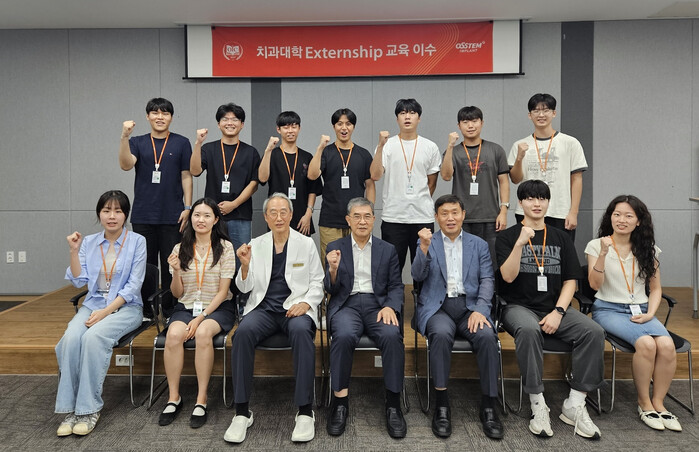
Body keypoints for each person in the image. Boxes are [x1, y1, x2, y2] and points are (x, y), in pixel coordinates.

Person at [496, 180, 604, 439]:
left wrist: (558, 312)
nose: (537, 204)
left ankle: (574, 403)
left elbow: (571, 281)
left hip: (554, 307)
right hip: (518, 307)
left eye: (542, 198)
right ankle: (537, 402)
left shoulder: (561, 237)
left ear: (548, 202)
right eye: (530, 198)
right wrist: (520, 244)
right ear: (520, 203)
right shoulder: (507, 237)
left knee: (593, 331)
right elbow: (507, 277)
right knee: (529, 330)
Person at [224, 193, 324, 444]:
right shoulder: (256, 244)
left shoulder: (306, 244)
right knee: (242, 334)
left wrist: (305, 303)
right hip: (264, 309)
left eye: (283, 212)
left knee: (302, 332)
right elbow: (244, 288)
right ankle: (242, 412)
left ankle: (305, 411)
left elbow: (318, 282)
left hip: (295, 309)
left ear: (291, 215)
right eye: (273, 213)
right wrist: (244, 266)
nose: (279, 217)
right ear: (266, 218)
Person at [586, 195, 681, 432]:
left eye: (629, 216)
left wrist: (651, 313)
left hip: (642, 310)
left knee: (667, 345)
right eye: (617, 214)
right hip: (608, 309)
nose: (622, 220)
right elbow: (594, 285)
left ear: (638, 221)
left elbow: (656, 289)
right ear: (610, 217)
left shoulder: (648, 249)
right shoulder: (596, 245)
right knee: (646, 344)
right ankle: (644, 403)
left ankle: (659, 403)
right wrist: (603, 254)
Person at [55, 190, 146, 437]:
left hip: (126, 308)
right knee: (70, 339)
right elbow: (78, 280)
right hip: (93, 304)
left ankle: (88, 409)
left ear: (126, 215)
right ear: (99, 214)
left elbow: (133, 286)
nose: (112, 216)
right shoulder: (89, 242)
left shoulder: (137, 241)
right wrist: (74, 251)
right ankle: (71, 410)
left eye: (118, 211)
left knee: (93, 338)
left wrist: (106, 312)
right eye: (106, 211)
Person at [412, 194, 503, 439]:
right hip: (438, 307)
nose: (450, 218)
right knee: (440, 335)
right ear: (436, 217)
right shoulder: (428, 241)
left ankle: (489, 405)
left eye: (455, 212)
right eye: (444, 213)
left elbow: (487, 279)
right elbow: (417, 276)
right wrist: (423, 248)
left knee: (486, 336)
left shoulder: (479, 244)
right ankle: (442, 405)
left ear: (463, 215)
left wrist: (480, 310)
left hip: (470, 307)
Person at [325, 197, 406, 439]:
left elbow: (396, 285)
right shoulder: (335, 247)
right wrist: (332, 270)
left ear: (374, 219)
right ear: (348, 220)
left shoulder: (387, 249)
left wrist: (391, 306)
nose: (362, 221)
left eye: (367, 216)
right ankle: (340, 403)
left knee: (392, 335)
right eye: (357, 217)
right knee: (343, 336)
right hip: (346, 304)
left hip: (377, 305)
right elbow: (330, 288)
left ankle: (393, 405)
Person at [158, 198, 236, 429]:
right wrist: (175, 271)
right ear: (190, 219)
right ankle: (174, 397)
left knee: (202, 333)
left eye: (207, 216)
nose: (201, 220)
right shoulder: (179, 248)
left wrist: (200, 317)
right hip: (186, 306)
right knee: (173, 335)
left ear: (216, 220)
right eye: (197, 215)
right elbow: (177, 293)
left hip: (218, 308)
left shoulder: (225, 248)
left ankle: (201, 399)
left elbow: (223, 292)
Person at [119, 97, 193, 289]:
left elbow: (186, 176)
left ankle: (170, 305)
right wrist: (124, 137)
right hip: (143, 214)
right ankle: (147, 305)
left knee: (172, 264)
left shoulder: (182, 142)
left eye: (165, 113)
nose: (160, 117)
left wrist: (188, 207)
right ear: (147, 116)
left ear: (171, 117)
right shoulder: (137, 142)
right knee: (145, 266)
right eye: (155, 113)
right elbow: (126, 165)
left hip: (173, 215)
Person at [370, 98, 441, 279]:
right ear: (397, 119)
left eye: (412, 113)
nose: (407, 117)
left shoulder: (430, 146)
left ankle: (423, 298)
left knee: (424, 267)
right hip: (394, 217)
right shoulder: (387, 146)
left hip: (422, 217)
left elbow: (432, 183)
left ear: (419, 118)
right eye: (402, 113)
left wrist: (417, 199)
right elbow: (375, 175)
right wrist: (380, 146)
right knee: (392, 268)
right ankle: (394, 298)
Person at [508, 93, 587, 242]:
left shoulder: (570, 143)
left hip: (560, 211)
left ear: (554, 113)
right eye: (536, 111)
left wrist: (573, 212)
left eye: (546, 110)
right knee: (529, 252)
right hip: (527, 211)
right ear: (529, 115)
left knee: (560, 252)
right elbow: (515, 179)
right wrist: (519, 158)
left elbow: (577, 179)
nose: (541, 115)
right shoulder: (520, 145)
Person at [441, 106, 510, 268]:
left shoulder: (495, 150)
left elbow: (504, 182)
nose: (470, 126)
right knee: (463, 264)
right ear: (459, 126)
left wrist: (503, 211)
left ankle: (490, 287)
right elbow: (446, 176)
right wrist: (450, 146)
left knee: (491, 264)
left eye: (474, 121)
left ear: (482, 123)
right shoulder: (453, 151)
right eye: (465, 122)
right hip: (461, 218)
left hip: (491, 218)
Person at [190, 103, 260, 259]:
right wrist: (198, 143)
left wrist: (234, 204)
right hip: (212, 215)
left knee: (241, 258)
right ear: (218, 124)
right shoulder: (209, 148)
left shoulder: (250, 152)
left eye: (235, 119)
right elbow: (195, 171)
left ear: (242, 124)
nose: (230, 123)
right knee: (212, 258)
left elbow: (254, 184)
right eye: (225, 119)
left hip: (240, 215)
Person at [308, 108, 376, 266]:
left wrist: (369, 212)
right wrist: (320, 148)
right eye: (339, 124)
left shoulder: (363, 154)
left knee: (358, 263)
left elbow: (370, 185)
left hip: (358, 220)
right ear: (334, 127)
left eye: (348, 124)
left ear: (353, 127)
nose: (344, 128)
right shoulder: (326, 152)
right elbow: (312, 175)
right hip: (330, 220)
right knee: (331, 263)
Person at [258, 111, 322, 236]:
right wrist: (268, 150)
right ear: (278, 129)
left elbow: (313, 188)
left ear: (299, 128)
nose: (290, 131)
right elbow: (262, 178)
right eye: (286, 127)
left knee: (302, 248)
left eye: (294, 126)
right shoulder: (271, 154)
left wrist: (308, 214)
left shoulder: (307, 156)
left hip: (302, 216)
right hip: (277, 216)